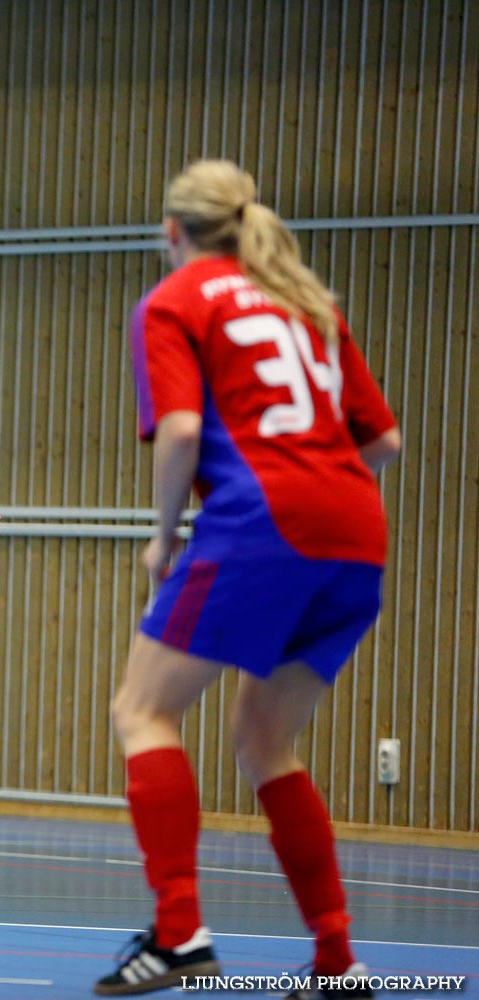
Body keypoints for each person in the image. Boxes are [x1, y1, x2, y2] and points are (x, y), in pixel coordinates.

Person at [95, 160, 401, 998]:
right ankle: (338, 961)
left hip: (265, 521)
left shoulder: (176, 299)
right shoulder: (309, 303)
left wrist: (164, 540)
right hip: (356, 528)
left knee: (143, 709)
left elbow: (183, 430)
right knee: (265, 741)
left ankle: (180, 933)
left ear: (171, 231)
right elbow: (383, 443)